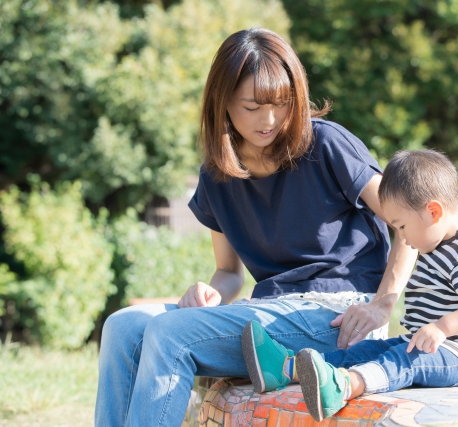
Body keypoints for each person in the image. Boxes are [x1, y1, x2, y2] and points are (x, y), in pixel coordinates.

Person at [94, 28, 417, 427]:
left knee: (170, 333)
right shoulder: (217, 176)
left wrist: (383, 303)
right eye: (251, 107)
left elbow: (409, 221)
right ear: (223, 102)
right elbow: (229, 274)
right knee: (123, 325)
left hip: (337, 315)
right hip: (269, 313)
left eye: (281, 104)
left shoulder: (328, 145)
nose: (269, 120)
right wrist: (211, 292)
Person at [242, 149, 458, 422]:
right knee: (369, 351)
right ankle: (286, 369)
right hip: (428, 345)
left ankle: (343, 386)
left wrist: (442, 328)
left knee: (401, 361)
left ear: (433, 212)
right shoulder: (436, 245)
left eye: (401, 226)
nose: (401, 237)